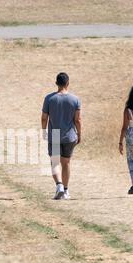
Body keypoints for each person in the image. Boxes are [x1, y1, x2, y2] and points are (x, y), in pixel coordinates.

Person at [41, 72, 82, 200]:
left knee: (54, 162)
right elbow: (78, 120)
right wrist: (79, 134)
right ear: (68, 83)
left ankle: (59, 185)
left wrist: (44, 130)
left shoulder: (49, 98)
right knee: (66, 163)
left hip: (55, 134)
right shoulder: (75, 99)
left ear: (56, 83)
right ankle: (66, 190)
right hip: (69, 135)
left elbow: (44, 118)